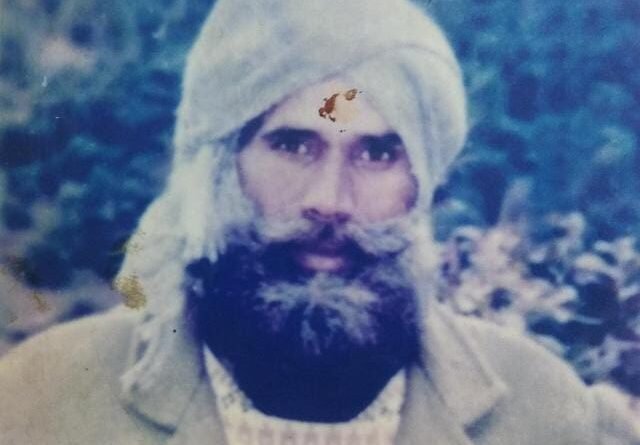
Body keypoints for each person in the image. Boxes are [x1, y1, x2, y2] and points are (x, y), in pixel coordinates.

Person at [0, 1, 638, 444]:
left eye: (378, 154)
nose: (329, 201)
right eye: (293, 145)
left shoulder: (547, 414)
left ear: (422, 186)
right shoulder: (40, 399)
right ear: (220, 167)